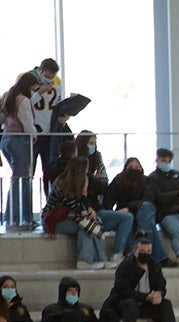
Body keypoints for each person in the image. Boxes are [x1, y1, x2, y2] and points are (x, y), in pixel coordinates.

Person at [75, 131, 134, 265]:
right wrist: (93, 181)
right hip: (86, 209)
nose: (93, 146)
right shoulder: (77, 164)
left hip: (97, 206)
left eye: (94, 144)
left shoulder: (97, 157)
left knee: (128, 217)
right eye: (91, 143)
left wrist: (94, 181)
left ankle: (117, 254)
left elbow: (103, 184)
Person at [100, 235, 179, 322]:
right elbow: (123, 290)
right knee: (131, 304)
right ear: (135, 252)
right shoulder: (125, 266)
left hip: (146, 305)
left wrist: (159, 294)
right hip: (124, 303)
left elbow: (161, 284)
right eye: (142, 251)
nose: (145, 254)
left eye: (148, 252)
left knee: (166, 304)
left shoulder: (154, 266)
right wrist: (146, 297)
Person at [45, 157, 113, 270]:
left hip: (67, 217)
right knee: (85, 225)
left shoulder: (73, 184)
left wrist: (89, 209)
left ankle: (100, 259)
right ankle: (86, 260)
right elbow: (78, 209)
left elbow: (81, 207)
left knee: (89, 223)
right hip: (53, 221)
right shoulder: (62, 185)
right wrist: (84, 191)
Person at [105, 157, 172, 265]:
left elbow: (148, 198)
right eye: (131, 167)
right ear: (125, 168)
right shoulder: (119, 180)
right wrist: (112, 213)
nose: (134, 169)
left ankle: (141, 232)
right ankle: (159, 257)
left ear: (141, 168)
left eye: (136, 167)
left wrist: (129, 207)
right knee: (144, 223)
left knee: (146, 208)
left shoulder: (147, 181)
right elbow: (109, 198)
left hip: (142, 212)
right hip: (126, 215)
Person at [1, 73, 40, 226]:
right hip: (19, 141)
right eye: (33, 89)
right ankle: (17, 218)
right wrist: (34, 135)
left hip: (6, 139)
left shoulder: (8, 96)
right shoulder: (23, 100)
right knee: (21, 181)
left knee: (18, 179)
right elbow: (28, 123)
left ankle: (16, 217)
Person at [28, 58, 63, 189]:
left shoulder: (57, 82)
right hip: (33, 133)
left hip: (50, 133)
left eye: (52, 77)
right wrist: (39, 92)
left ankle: (50, 199)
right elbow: (24, 105)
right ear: (40, 71)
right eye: (47, 76)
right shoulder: (28, 80)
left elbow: (58, 103)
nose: (50, 79)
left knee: (49, 170)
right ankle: (24, 200)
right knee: (28, 172)